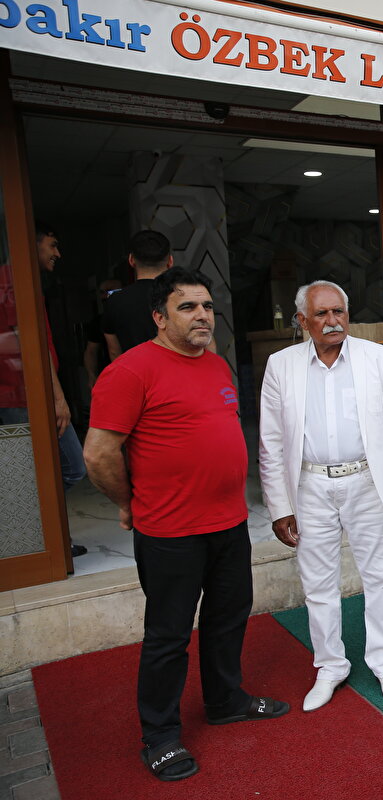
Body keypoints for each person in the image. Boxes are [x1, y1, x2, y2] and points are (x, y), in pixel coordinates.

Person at [84, 267, 288, 783]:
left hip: (229, 524)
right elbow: (99, 453)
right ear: (158, 317)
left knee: (227, 619)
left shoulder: (218, 365)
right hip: (169, 531)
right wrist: (128, 503)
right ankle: (160, 735)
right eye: (187, 307)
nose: (201, 315)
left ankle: (224, 701)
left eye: (206, 306)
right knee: (168, 637)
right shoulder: (131, 371)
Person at [258, 280, 383, 711]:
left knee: (381, 577)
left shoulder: (377, 357)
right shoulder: (280, 365)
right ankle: (330, 666)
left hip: (367, 481)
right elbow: (271, 443)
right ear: (302, 321)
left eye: (339, 312)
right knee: (318, 583)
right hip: (309, 486)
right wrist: (280, 506)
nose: (332, 321)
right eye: (322, 314)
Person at [0, 222, 87, 556]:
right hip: (24, 396)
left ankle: (46, 539)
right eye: (52, 245)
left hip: (24, 395)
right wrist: (59, 398)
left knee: (39, 469)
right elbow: (29, 343)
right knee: (70, 466)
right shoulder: (13, 280)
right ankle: (41, 540)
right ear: (31, 245)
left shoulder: (25, 281)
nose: (57, 253)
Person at [103, 229, 173, 360]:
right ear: (170, 261)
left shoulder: (114, 301)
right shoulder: (183, 296)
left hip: (135, 374)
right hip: (177, 376)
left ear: (131, 260)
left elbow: (114, 351)